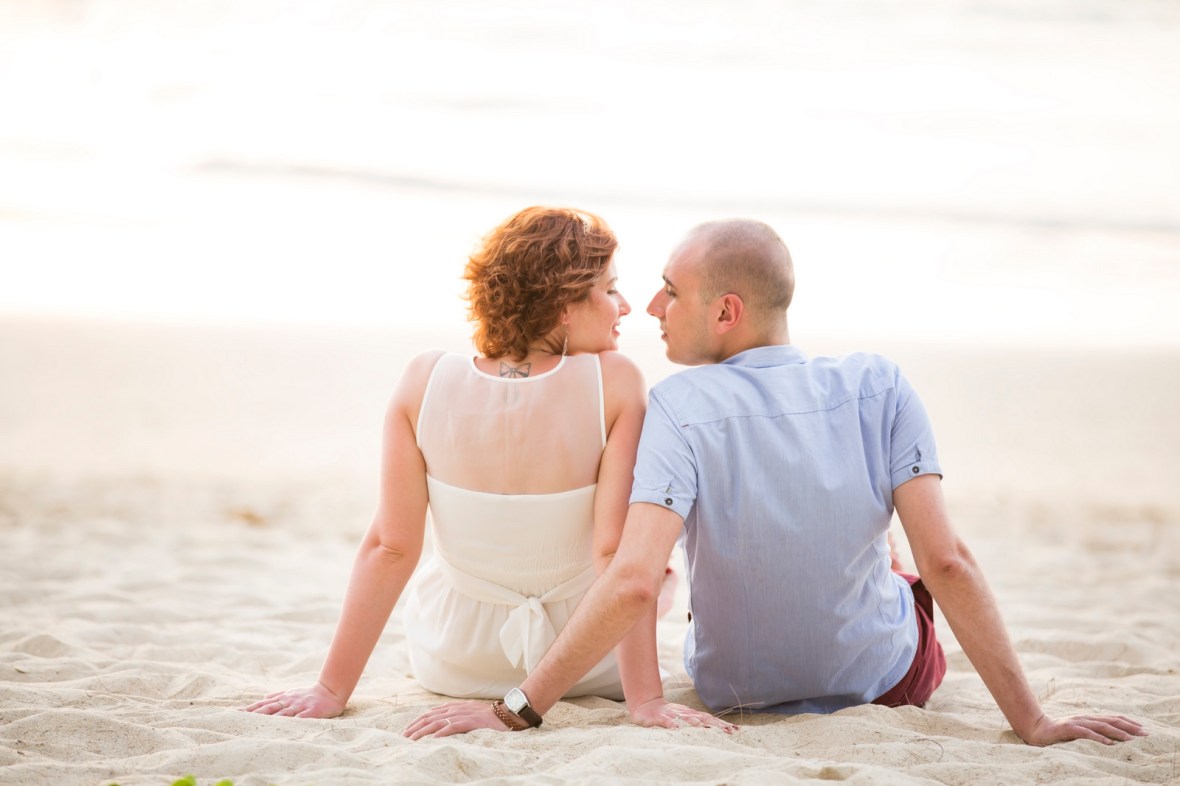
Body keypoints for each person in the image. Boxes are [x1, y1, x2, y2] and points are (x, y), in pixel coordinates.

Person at [404, 218, 1147, 747]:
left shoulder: (676, 406)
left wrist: (514, 712)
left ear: (725, 312)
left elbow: (634, 578)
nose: (652, 308)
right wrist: (1033, 722)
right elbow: (949, 562)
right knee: (900, 561)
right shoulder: (879, 384)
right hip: (886, 681)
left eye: (669, 291)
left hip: (735, 690)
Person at [244, 206, 707, 721]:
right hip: (584, 666)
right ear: (563, 308)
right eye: (610, 290)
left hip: (452, 660)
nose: (624, 307)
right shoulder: (614, 382)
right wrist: (646, 699)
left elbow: (389, 547)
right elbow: (611, 555)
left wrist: (330, 691)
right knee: (658, 575)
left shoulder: (424, 379)